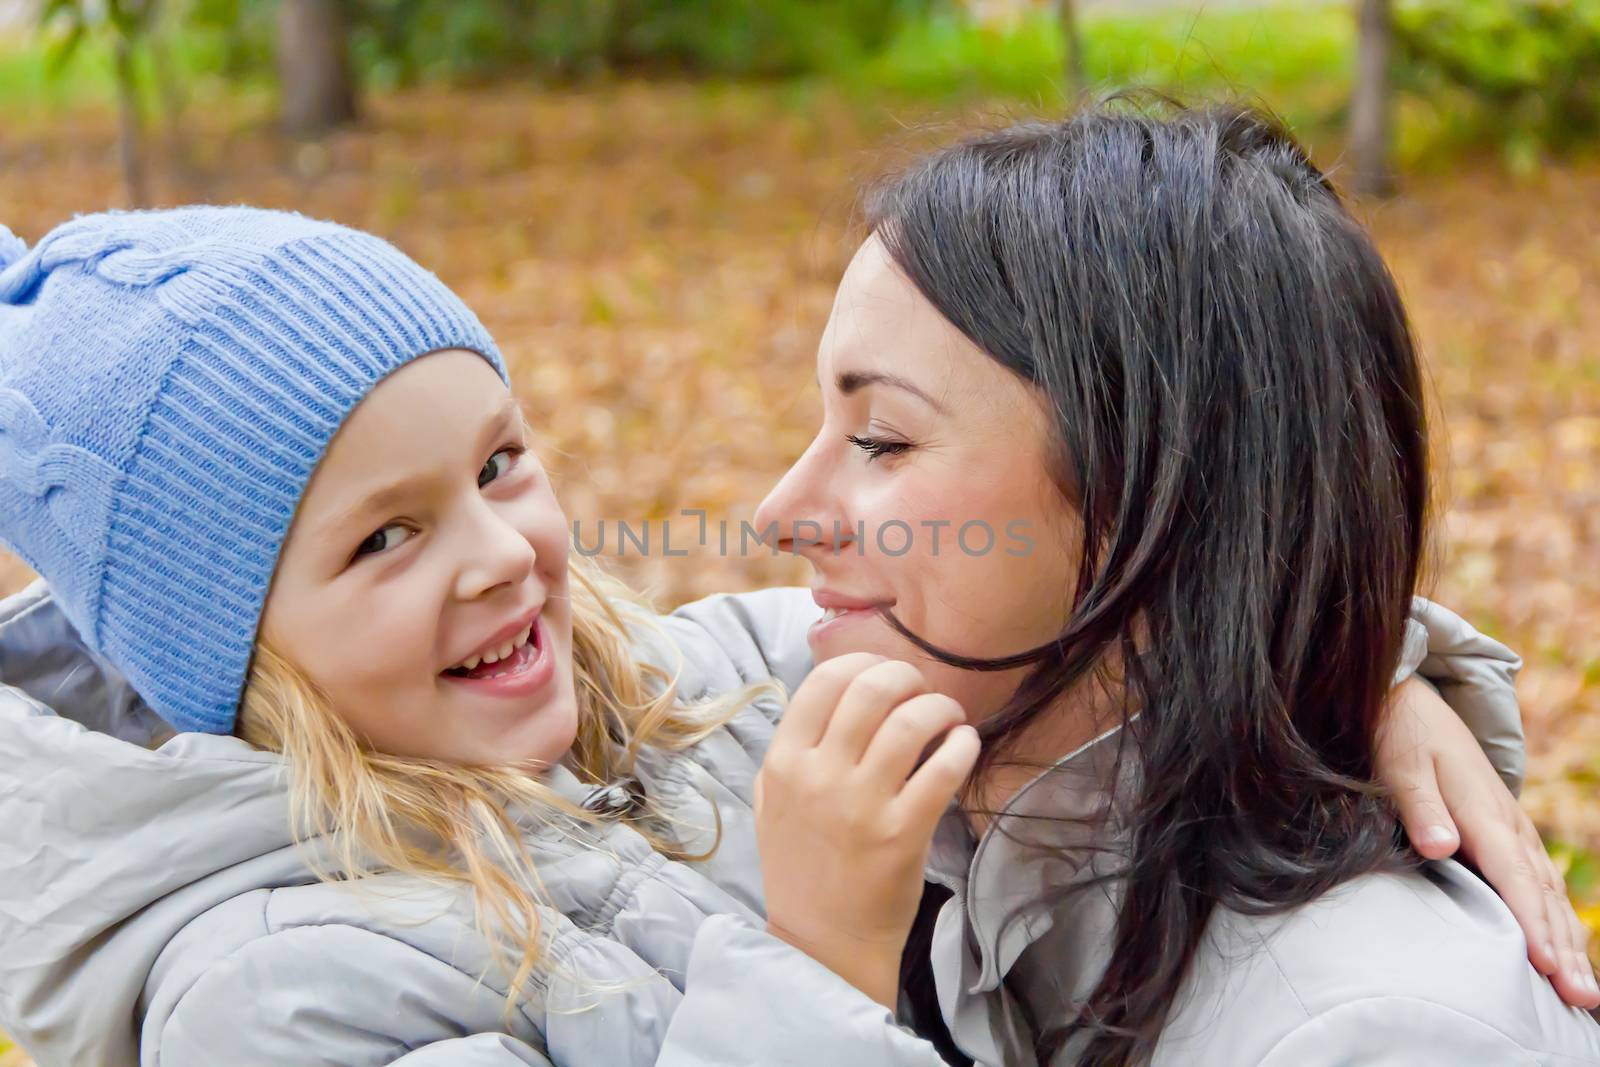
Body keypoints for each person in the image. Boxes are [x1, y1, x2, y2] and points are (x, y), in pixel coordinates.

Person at [0, 198, 1580, 1067]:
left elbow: (1093, 602)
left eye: (498, 464)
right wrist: (815, 964)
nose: (502, 556)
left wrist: (1362, 674)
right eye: (383, 537)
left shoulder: (663, 702)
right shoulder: (264, 994)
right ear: (226, 646)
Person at [673, 104, 1600, 1065]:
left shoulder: (1382, 1035)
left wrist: (813, 984)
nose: (780, 513)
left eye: (881, 440)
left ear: (1152, 498)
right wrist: (1352, 664)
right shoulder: (935, 767)